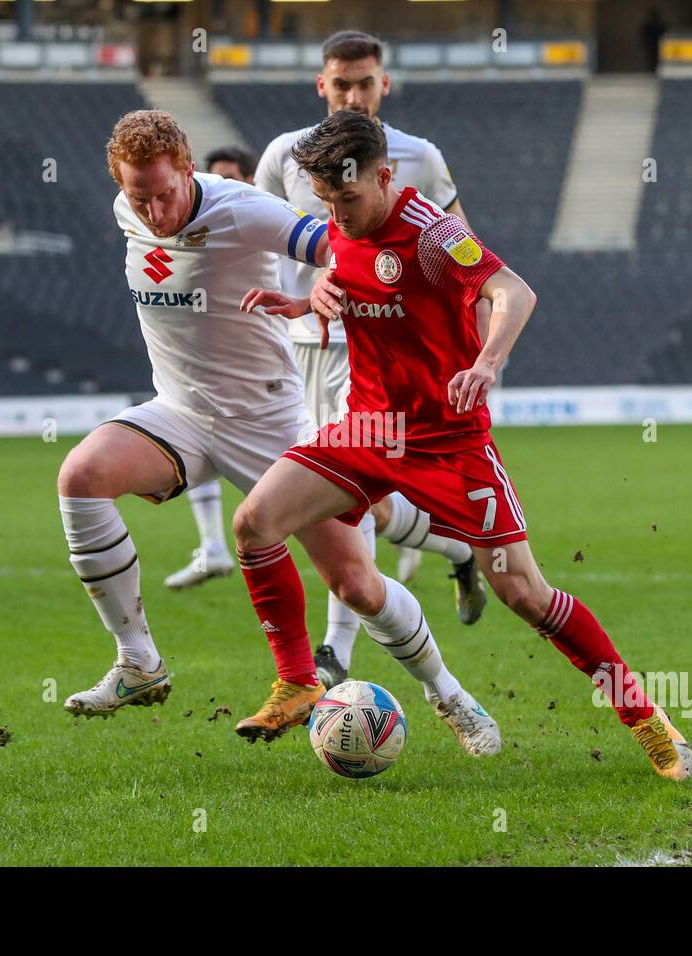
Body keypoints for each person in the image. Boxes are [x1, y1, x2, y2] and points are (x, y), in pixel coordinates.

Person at [232, 110, 692, 780]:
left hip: (448, 441)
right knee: (254, 523)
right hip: (366, 429)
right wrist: (309, 301)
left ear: (385, 176)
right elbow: (355, 270)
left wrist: (487, 362)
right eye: (328, 202)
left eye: (350, 199)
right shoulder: (341, 215)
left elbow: (514, 291)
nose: (339, 214)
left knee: (524, 594)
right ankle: (298, 680)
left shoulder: (432, 234)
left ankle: (645, 718)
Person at [58, 110, 498, 758]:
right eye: (137, 195)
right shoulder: (129, 208)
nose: (151, 209)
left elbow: (336, 243)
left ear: (189, 168)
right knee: (81, 478)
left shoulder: (242, 211)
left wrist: (328, 279)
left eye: (163, 191)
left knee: (355, 586)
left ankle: (449, 694)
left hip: (268, 424)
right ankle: (139, 662)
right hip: (181, 414)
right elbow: (143, 212)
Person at [250, 29, 488, 690]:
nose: (353, 94)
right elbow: (271, 239)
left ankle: (334, 650)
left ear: (386, 84)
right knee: (367, 507)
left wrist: (470, 351)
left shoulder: (419, 157)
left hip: (373, 352)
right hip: (296, 353)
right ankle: (457, 547)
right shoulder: (283, 158)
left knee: (348, 498)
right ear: (320, 85)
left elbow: (462, 255)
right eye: (341, 83)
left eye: (365, 82)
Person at [161, 144, 259, 591]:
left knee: (353, 504)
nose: (222, 188)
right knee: (196, 430)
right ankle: (213, 548)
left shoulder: (261, 221)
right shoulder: (201, 228)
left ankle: (450, 548)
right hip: (227, 375)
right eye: (215, 178)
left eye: (232, 178)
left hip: (292, 368)